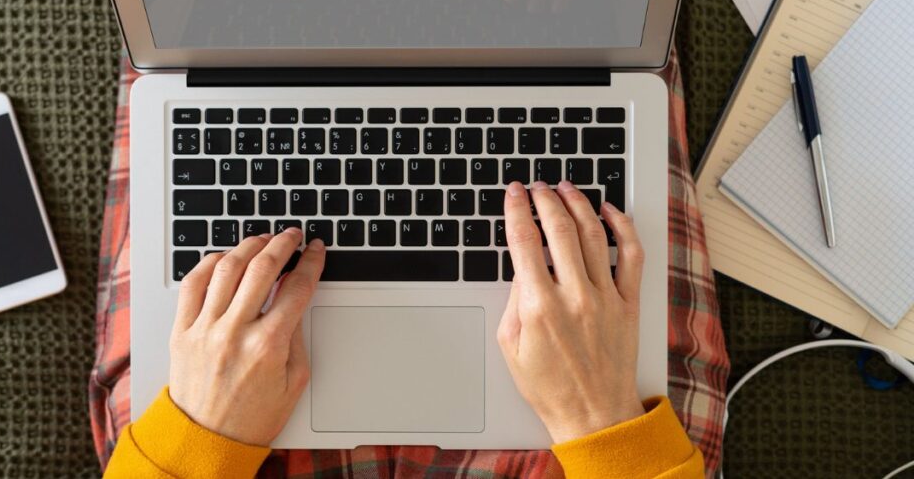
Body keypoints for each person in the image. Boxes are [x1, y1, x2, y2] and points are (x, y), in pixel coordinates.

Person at [103, 181, 704, 478]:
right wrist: (601, 421)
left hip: (215, 445)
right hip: (594, 446)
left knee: (194, 60)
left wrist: (200, 444)